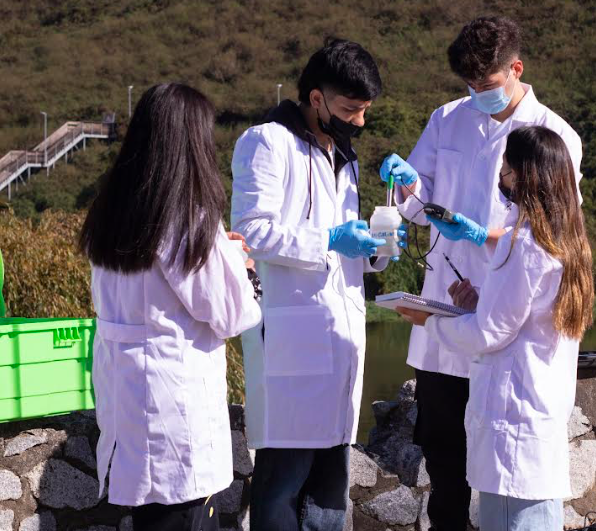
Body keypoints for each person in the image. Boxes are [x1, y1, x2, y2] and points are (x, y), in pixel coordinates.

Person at [380, 16, 584, 529]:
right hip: (451, 303)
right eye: (469, 85)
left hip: (506, 319)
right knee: (446, 463)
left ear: (516, 68)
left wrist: (482, 238)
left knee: (504, 476)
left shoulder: (554, 137)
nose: (477, 94)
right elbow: (417, 200)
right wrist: (406, 185)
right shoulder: (448, 118)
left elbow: (554, 231)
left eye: (487, 85)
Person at [231, 38, 403, 531]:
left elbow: (344, 255)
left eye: (365, 110)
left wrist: (374, 249)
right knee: (283, 480)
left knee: (331, 480)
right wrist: (328, 238)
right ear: (316, 99)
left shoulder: (342, 155)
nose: (360, 121)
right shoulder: (266, 142)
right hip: (293, 334)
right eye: (352, 109)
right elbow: (251, 230)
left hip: (340, 333)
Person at [79, 83, 262, 531]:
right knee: (183, 513)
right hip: (173, 405)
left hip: (129, 392)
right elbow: (230, 312)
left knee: (152, 514)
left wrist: (220, 253)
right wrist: (244, 268)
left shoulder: (113, 208)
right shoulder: (184, 216)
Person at [397, 126, 594, 531]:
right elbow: (525, 318)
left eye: (505, 167)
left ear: (523, 174)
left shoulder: (523, 242)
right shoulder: (566, 240)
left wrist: (429, 321)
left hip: (513, 422)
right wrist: (479, 303)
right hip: (538, 415)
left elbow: (489, 334)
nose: (500, 176)